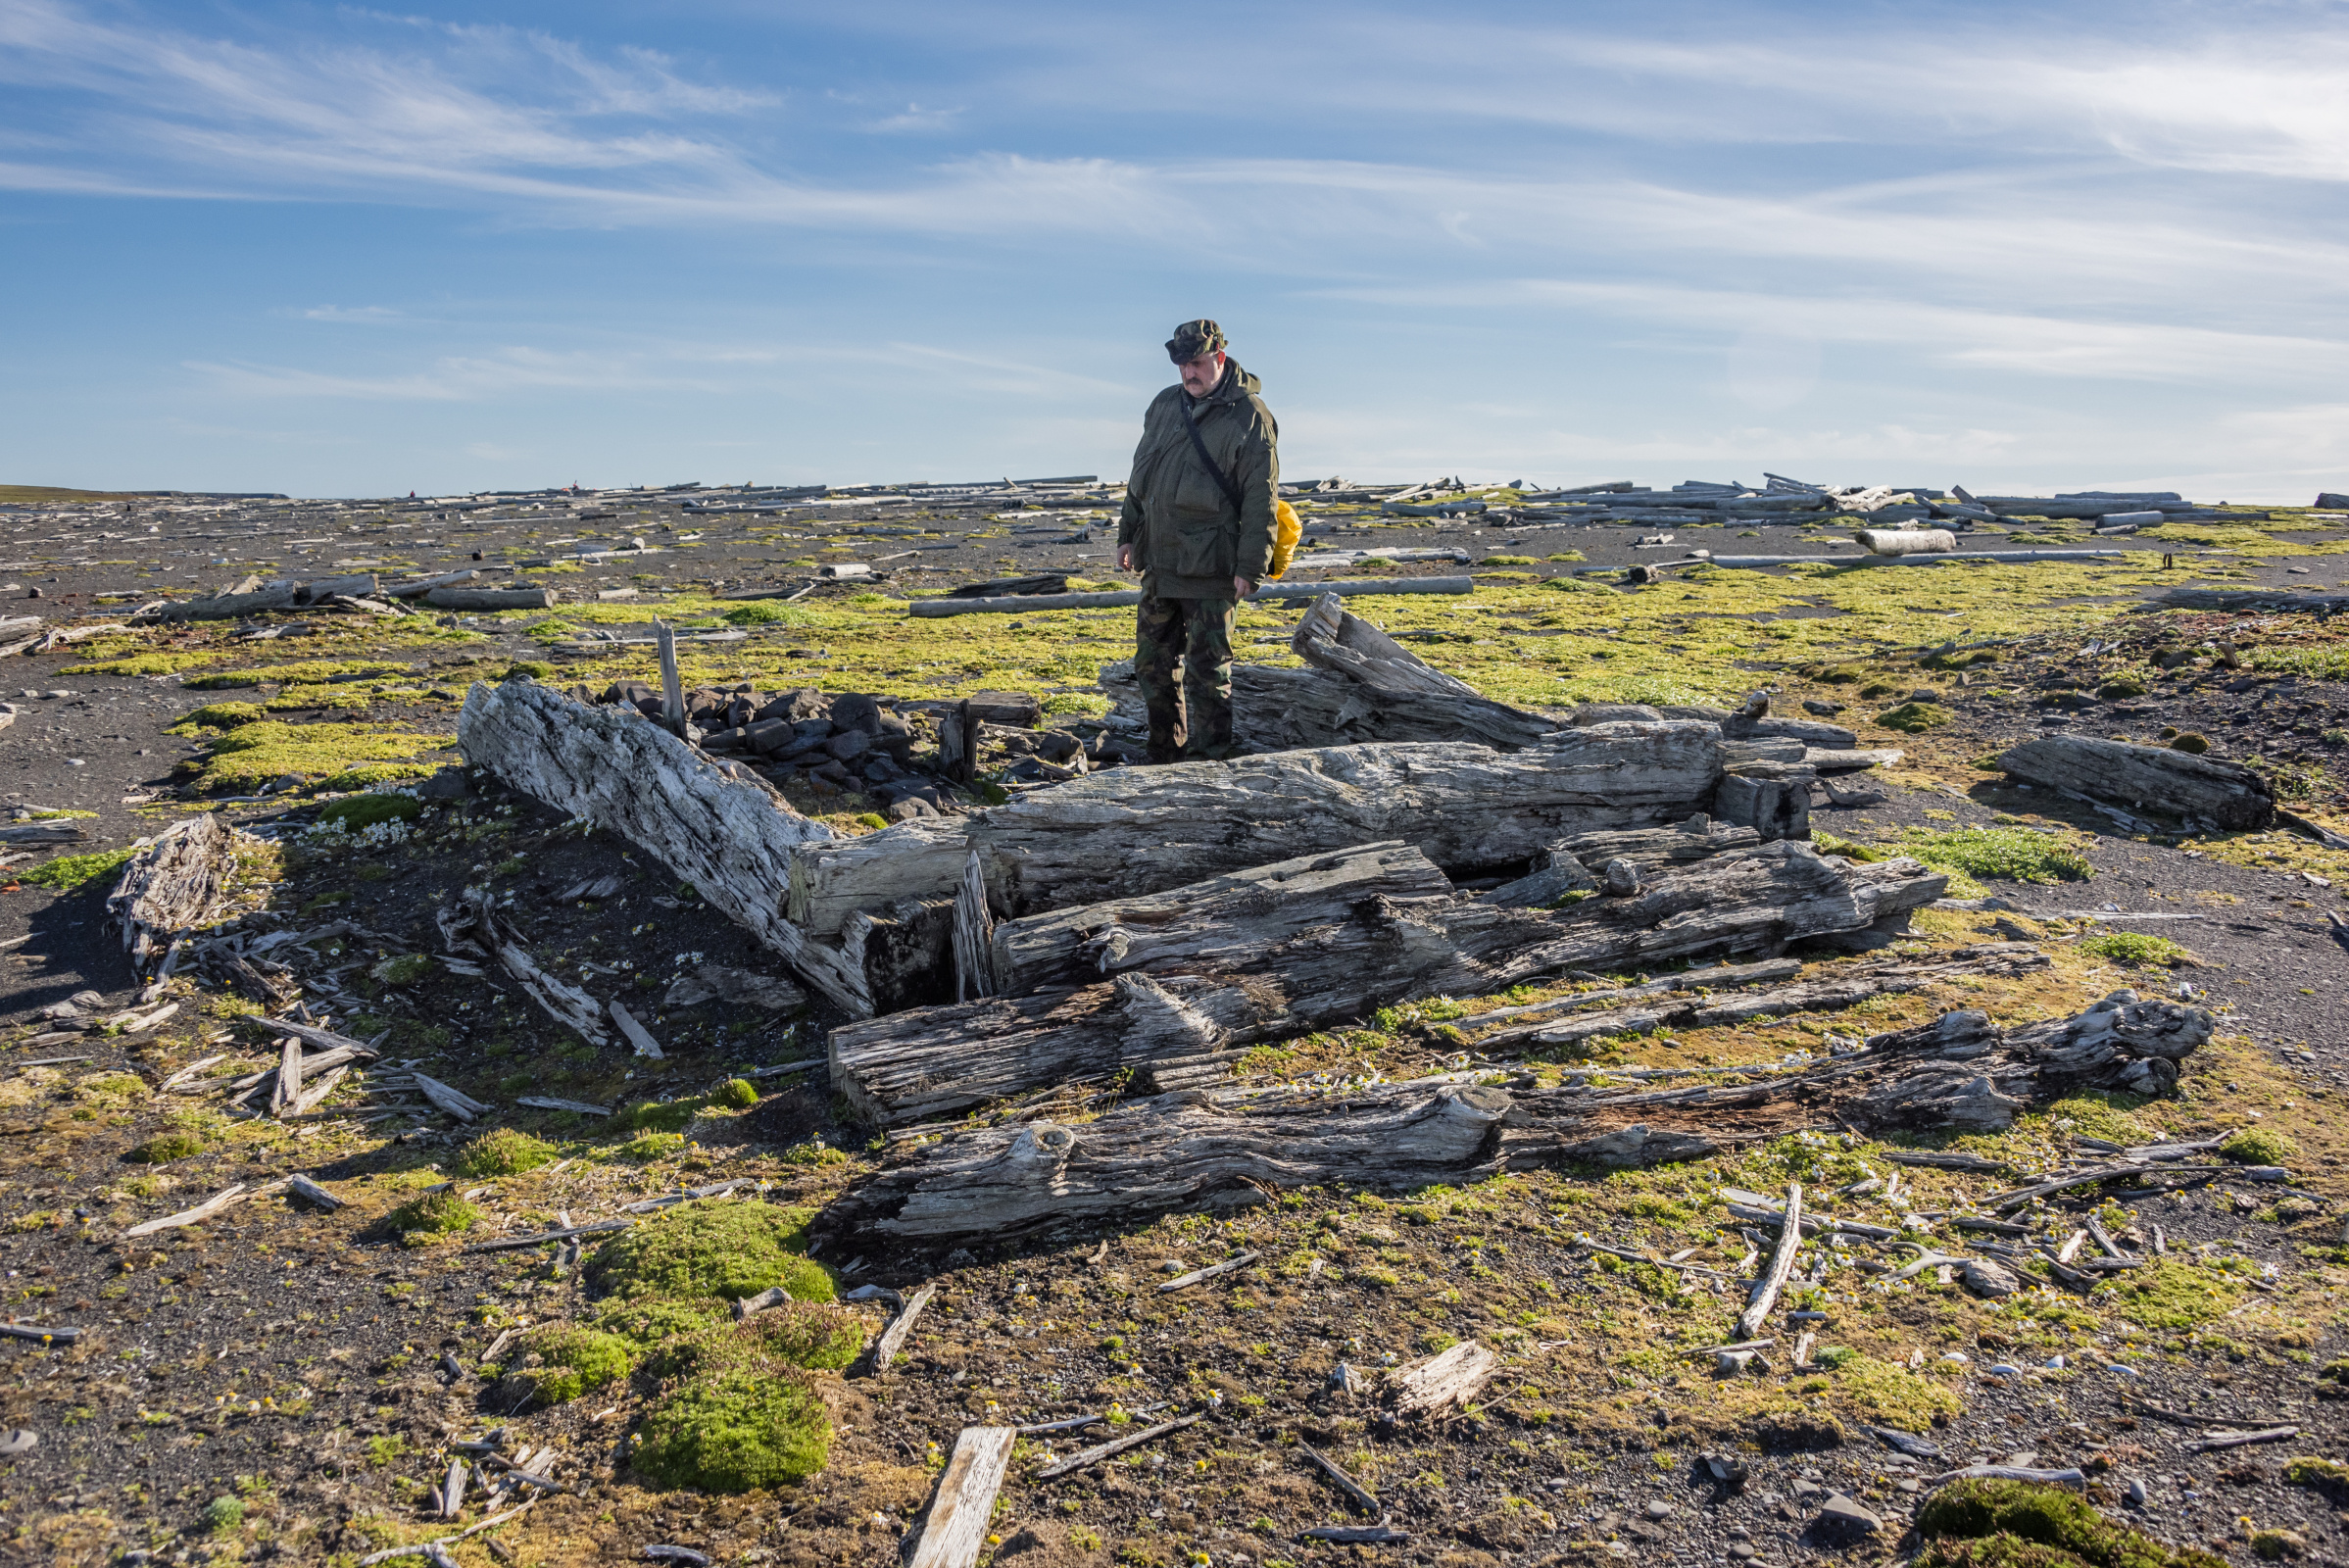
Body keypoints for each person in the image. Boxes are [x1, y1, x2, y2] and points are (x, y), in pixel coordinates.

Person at [1115, 319, 1280, 761]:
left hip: (1214, 567)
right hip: (1161, 561)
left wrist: (1251, 567)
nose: (1190, 373)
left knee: (1208, 671)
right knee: (1151, 664)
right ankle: (1162, 753)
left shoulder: (1250, 416)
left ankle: (1210, 761)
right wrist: (1128, 534)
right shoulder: (1164, 405)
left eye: (1198, 363)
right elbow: (1141, 475)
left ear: (1220, 359)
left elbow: (1260, 498)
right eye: (1183, 365)